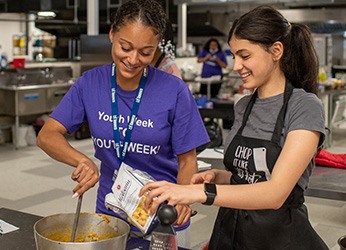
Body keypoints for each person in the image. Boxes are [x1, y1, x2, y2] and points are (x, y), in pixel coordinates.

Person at [140, 5, 329, 250]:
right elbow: (248, 180)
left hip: (279, 240)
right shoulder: (244, 106)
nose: (236, 65)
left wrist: (201, 194)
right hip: (230, 234)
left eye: (245, 56)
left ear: (276, 51)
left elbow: (275, 192)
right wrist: (218, 177)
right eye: (233, 56)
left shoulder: (304, 106)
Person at [36, 0, 210, 247]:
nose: (133, 59)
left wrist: (183, 199)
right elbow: (47, 135)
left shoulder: (174, 90)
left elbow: (188, 160)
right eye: (125, 47)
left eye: (145, 52)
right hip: (109, 214)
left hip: (164, 215)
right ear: (112, 34)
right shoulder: (90, 83)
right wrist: (82, 160)